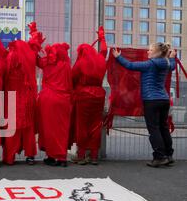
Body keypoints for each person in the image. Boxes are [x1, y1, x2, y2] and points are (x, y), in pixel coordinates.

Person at [112, 43, 177, 168]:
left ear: (157, 53)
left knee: (154, 129)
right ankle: (169, 155)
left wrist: (118, 56)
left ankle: (159, 157)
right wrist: (172, 57)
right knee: (163, 127)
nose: (148, 52)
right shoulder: (167, 63)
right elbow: (173, 66)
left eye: (150, 50)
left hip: (151, 100)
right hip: (164, 99)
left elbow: (130, 65)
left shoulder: (150, 64)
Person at [2, 21, 44, 166]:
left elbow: (4, 76)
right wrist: (33, 30)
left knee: (12, 127)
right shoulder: (29, 56)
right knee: (28, 127)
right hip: (27, 97)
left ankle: (10, 156)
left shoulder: (10, 57)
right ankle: (30, 155)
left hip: (12, 98)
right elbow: (35, 44)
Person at [71, 27, 108, 165]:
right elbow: (104, 51)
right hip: (98, 95)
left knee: (82, 126)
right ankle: (93, 156)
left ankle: (81, 155)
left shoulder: (80, 63)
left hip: (83, 95)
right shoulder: (100, 60)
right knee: (96, 125)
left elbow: (72, 78)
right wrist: (102, 38)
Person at [37, 43, 73, 167]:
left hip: (48, 99)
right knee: (62, 129)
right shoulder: (67, 66)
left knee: (48, 129)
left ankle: (51, 156)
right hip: (63, 100)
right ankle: (62, 157)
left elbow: (37, 61)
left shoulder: (47, 63)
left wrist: (35, 45)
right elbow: (70, 85)